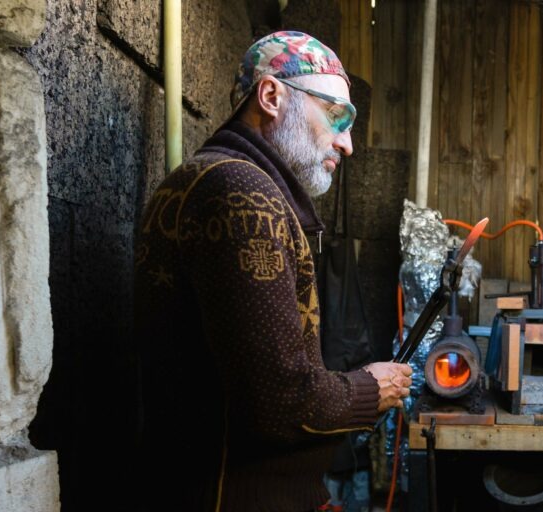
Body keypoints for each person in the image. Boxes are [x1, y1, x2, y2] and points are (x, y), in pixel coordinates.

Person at [134, 31, 413, 512]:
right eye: (336, 116)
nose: (347, 143)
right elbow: (283, 402)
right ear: (271, 96)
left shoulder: (214, 177)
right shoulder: (242, 191)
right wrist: (372, 387)